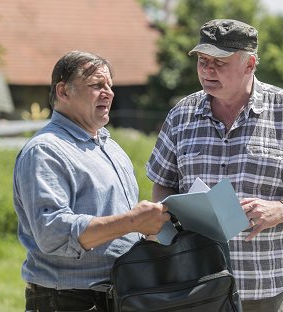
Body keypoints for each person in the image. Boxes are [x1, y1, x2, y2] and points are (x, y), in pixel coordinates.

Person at [146, 19, 283, 312]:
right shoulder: (181, 115)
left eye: (219, 62)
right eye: (203, 61)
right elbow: (162, 184)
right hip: (196, 283)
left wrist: (281, 209)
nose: (207, 70)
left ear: (250, 64)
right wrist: (168, 223)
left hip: (266, 285)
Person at [13, 51, 170, 312]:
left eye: (110, 85)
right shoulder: (45, 150)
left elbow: (121, 226)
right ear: (63, 92)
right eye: (96, 85)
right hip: (67, 301)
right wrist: (132, 222)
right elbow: (53, 232)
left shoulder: (110, 146)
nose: (108, 92)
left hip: (120, 294)